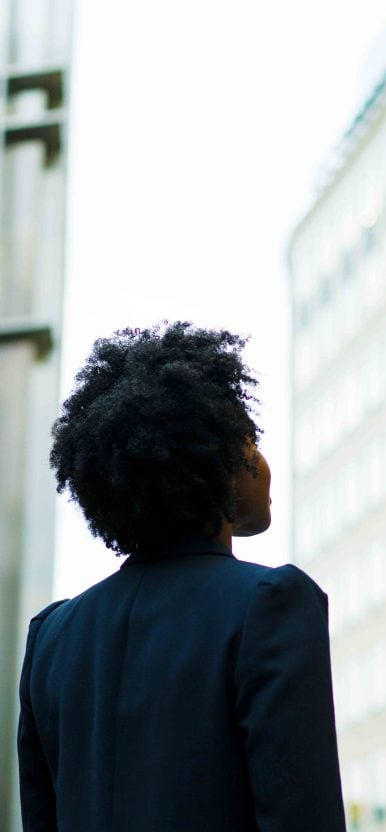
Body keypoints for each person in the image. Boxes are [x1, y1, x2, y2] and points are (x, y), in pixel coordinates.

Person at [17, 320, 347, 832]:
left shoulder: (52, 640)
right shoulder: (270, 604)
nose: (262, 460)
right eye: (249, 440)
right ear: (216, 458)